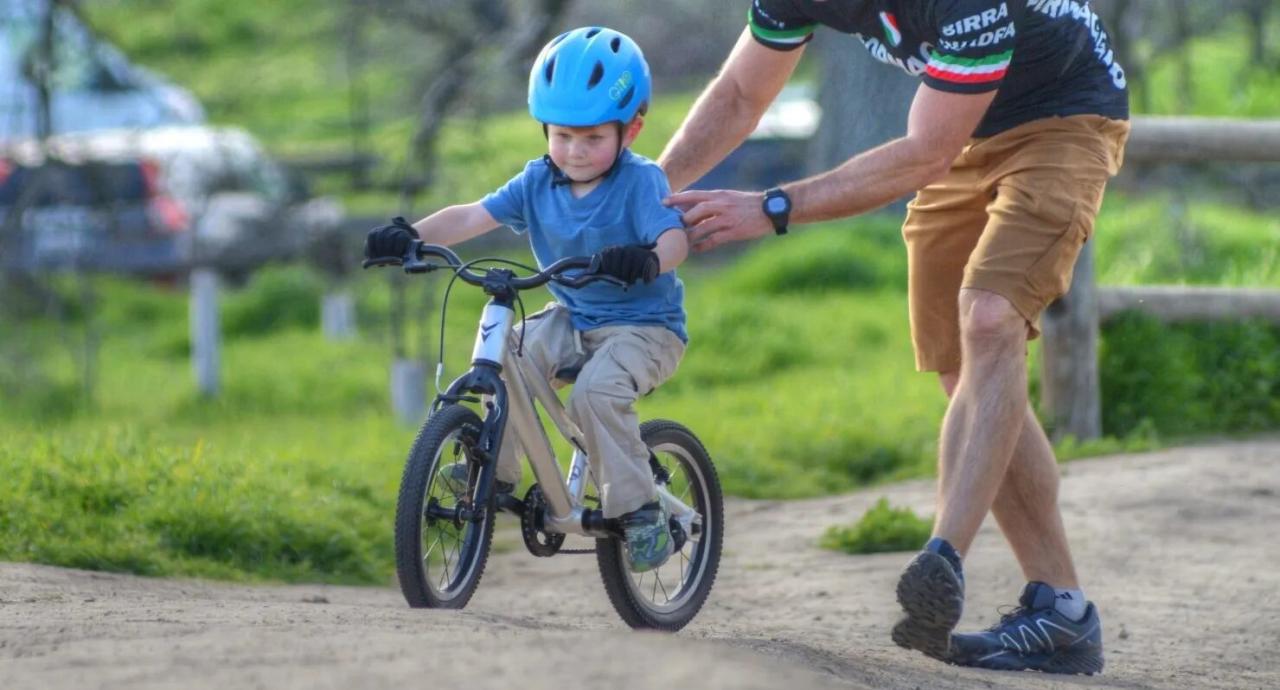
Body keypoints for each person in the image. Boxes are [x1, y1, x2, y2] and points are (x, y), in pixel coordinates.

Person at [657, 0, 1129, 675]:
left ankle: (943, 558)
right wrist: (643, 190)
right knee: (963, 368)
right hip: (964, 126)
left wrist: (772, 207)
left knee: (990, 318)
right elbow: (739, 93)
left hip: (1064, 114)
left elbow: (923, 153)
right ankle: (1063, 612)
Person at [364, 26, 689, 573]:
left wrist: (650, 259)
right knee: (508, 354)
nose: (574, 152)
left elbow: (675, 238)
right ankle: (496, 472)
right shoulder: (538, 181)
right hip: (574, 316)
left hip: (644, 327)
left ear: (630, 129)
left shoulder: (641, 182)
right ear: (544, 130)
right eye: (562, 136)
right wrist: (411, 235)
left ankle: (641, 512)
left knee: (596, 392)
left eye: (592, 138)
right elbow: (472, 216)